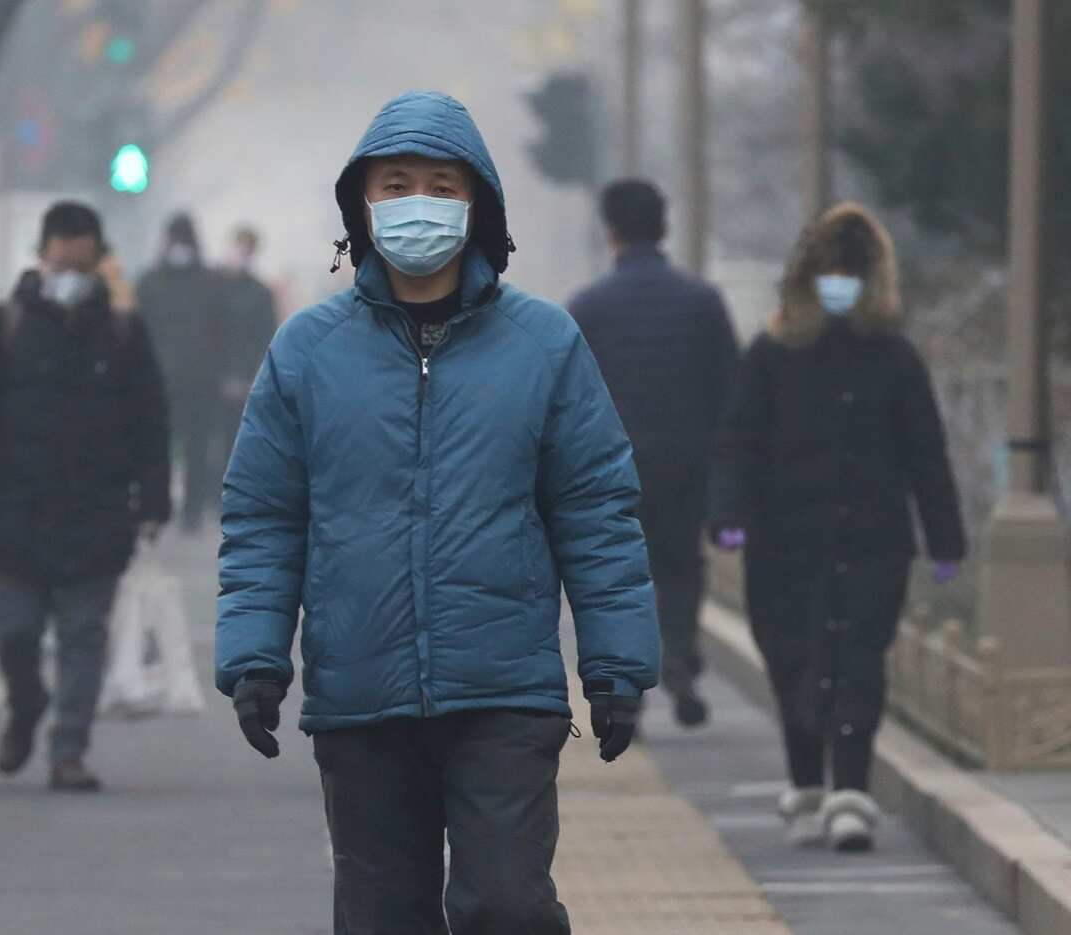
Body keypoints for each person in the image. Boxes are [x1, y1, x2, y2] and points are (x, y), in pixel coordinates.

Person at [215, 91, 659, 933]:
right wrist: (253, 655)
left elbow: (597, 510)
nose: (417, 202)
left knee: (509, 905)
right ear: (362, 204)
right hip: (361, 697)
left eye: (441, 185)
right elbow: (264, 516)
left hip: (504, 691)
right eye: (395, 184)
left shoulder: (546, 344)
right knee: (384, 916)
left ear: (477, 205)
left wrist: (617, 663)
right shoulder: (306, 352)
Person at [709, 202, 966, 852]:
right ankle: (807, 783)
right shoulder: (771, 354)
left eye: (851, 272)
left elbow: (925, 452)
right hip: (785, 540)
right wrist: (729, 514)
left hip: (872, 539)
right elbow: (739, 440)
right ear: (807, 277)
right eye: (829, 271)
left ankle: (851, 788)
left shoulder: (895, 357)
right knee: (792, 658)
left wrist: (945, 537)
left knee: (858, 660)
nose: (839, 284)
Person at [0, 201, 171, 793]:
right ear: (41, 256)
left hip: (98, 512)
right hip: (18, 510)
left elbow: (151, 421)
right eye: (60, 256)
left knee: (83, 635)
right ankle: (27, 705)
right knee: (14, 632)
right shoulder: (3, 326)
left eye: (82, 257)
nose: (70, 268)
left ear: (99, 260)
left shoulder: (123, 333)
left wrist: (152, 501)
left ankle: (68, 749)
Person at [570, 179, 738, 729]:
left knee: (620, 577)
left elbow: (568, 404)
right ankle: (681, 655)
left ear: (610, 231)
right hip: (687, 464)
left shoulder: (588, 309)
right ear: (664, 228)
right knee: (680, 567)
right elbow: (730, 395)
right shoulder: (702, 302)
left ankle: (629, 692)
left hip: (611, 471)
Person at [138, 213, 224, 534]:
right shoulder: (204, 281)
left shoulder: (157, 279)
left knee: (192, 448)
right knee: (172, 447)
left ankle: (186, 510)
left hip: (191, 379)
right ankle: (170, 508)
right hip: (171, 379)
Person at [212, 225, 278, 485]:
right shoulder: (215, 286)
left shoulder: (261, 293)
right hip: (215, 374)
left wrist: (253, 375)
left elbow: (265, 337)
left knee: (236, 437)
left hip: (244, 378)